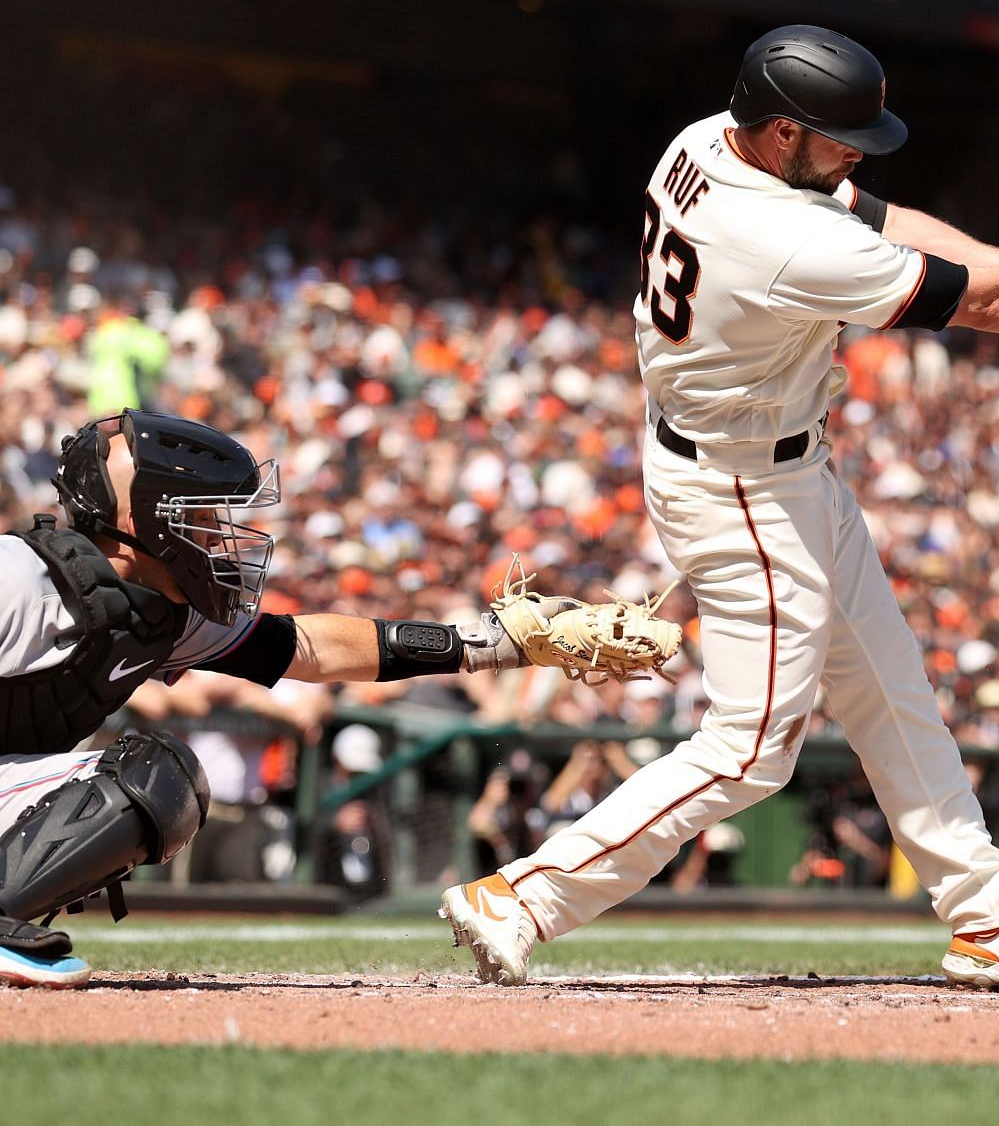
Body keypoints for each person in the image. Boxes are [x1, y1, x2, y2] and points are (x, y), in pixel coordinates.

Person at [440, 24, 999, 993]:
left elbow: (895, 221)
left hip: (771, 463)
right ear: (782, 132)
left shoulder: (708, 139)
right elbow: (976, 305)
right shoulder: (782, 237)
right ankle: (525, 894)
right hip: (740, 486)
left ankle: (991, 918)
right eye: (837, 134)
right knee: (748, 747)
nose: (857, 148)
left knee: (894, 697)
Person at [0, 409, 626, 988]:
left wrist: (495, 643)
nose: (220, 537)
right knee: (145, 775)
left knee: (170, 780)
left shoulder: (155, 615)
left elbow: (312, 648)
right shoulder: (20, 578)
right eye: (202, 516)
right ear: (145, 519)